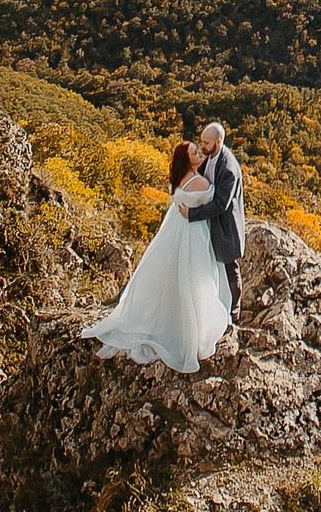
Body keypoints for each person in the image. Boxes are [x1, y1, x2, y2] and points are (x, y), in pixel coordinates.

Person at [78, 138, 235, 372]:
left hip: (176, 229)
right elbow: (216, 199)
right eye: (195, 152)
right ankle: (189, 328)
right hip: (193, 232)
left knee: (173, 275)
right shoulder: (200, 182)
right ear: (188, 159)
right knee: (194, 278)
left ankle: (168, 321)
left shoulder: (179, 180)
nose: (199, 153)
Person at [188, 121, 245, 310]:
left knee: (230, 268)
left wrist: (192, 214)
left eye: (206, 143)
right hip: (212, 224)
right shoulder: (211, 157)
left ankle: (234, 309)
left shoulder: (228, 168)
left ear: (218, 142)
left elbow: (221, 203)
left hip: (226, 227)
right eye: (202, 142)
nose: (202, 146)